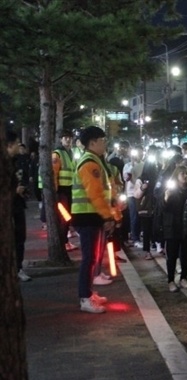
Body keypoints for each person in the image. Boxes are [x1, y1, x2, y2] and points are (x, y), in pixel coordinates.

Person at [71, 126, 121, 313]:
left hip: (91, 216)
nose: (105, 143)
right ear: (92, 142)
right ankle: (85, 298)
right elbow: (95, 194)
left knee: (92, 258)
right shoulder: (89, 163)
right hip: (88, 217)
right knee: (89, 258)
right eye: (103, 140)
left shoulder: (95, 161)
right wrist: (107, 216)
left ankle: (88, 293)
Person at [163, 165, 187, 292]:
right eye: (182, 173)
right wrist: (166, 198)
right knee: (172, 255)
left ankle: (184, 277)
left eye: (186, 173)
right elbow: (164, 209)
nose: (185, 176)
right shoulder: (171, 190)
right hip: (172, 227)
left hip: (186, 226)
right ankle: (170, 280)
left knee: (185, 254)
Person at [7, 131, 32, 282]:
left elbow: (23, 178)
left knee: (20, 237)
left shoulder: (18, 160)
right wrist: (13, 191)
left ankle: (18, 268)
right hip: (7, 207)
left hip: (18, 204)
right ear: (9, 145)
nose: (19, 146)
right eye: (16, 143)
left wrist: (23, 190)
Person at [53, 130, 78, 251]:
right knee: (65, 217)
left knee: (67, 217)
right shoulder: (57, 154)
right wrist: (55, 191)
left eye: (69, 138)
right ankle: (63, 243)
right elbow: (54, 173)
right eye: (65, 138)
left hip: (70, 190)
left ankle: (65, 241)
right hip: (61, 191)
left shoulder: (71, 153)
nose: (68, 140)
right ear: (60, 140)